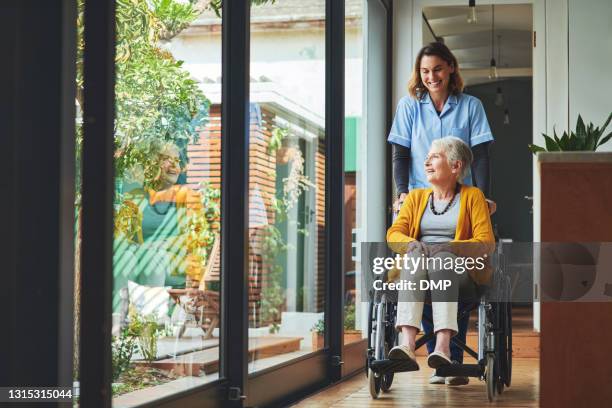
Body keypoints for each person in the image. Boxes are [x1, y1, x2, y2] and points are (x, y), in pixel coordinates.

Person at [388, 41, 496, 385]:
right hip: (422, 198)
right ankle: (431, 350)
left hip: (458, 198)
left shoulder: (471, 106)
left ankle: (449, 357)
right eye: (424, 71)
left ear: (450, 68)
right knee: (421, 263)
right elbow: (400, 154)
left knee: (447, 263)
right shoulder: (410, 106)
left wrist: (481, 196)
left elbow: (480, 155)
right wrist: (402, 194)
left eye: (436, 69)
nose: (430, 76)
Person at [386, 137, 495, 374]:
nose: (426, 162)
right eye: (426, 157)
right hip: (418, 268)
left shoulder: (473, 196)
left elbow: (486, 242)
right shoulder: (415, 198)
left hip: (460, 272)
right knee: (415, 258)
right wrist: (412, 245)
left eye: (434, 156)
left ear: (455, 166)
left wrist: (451, 248)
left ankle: (443, 347)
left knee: (443, 258)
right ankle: (407, 345)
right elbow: (394, 234)